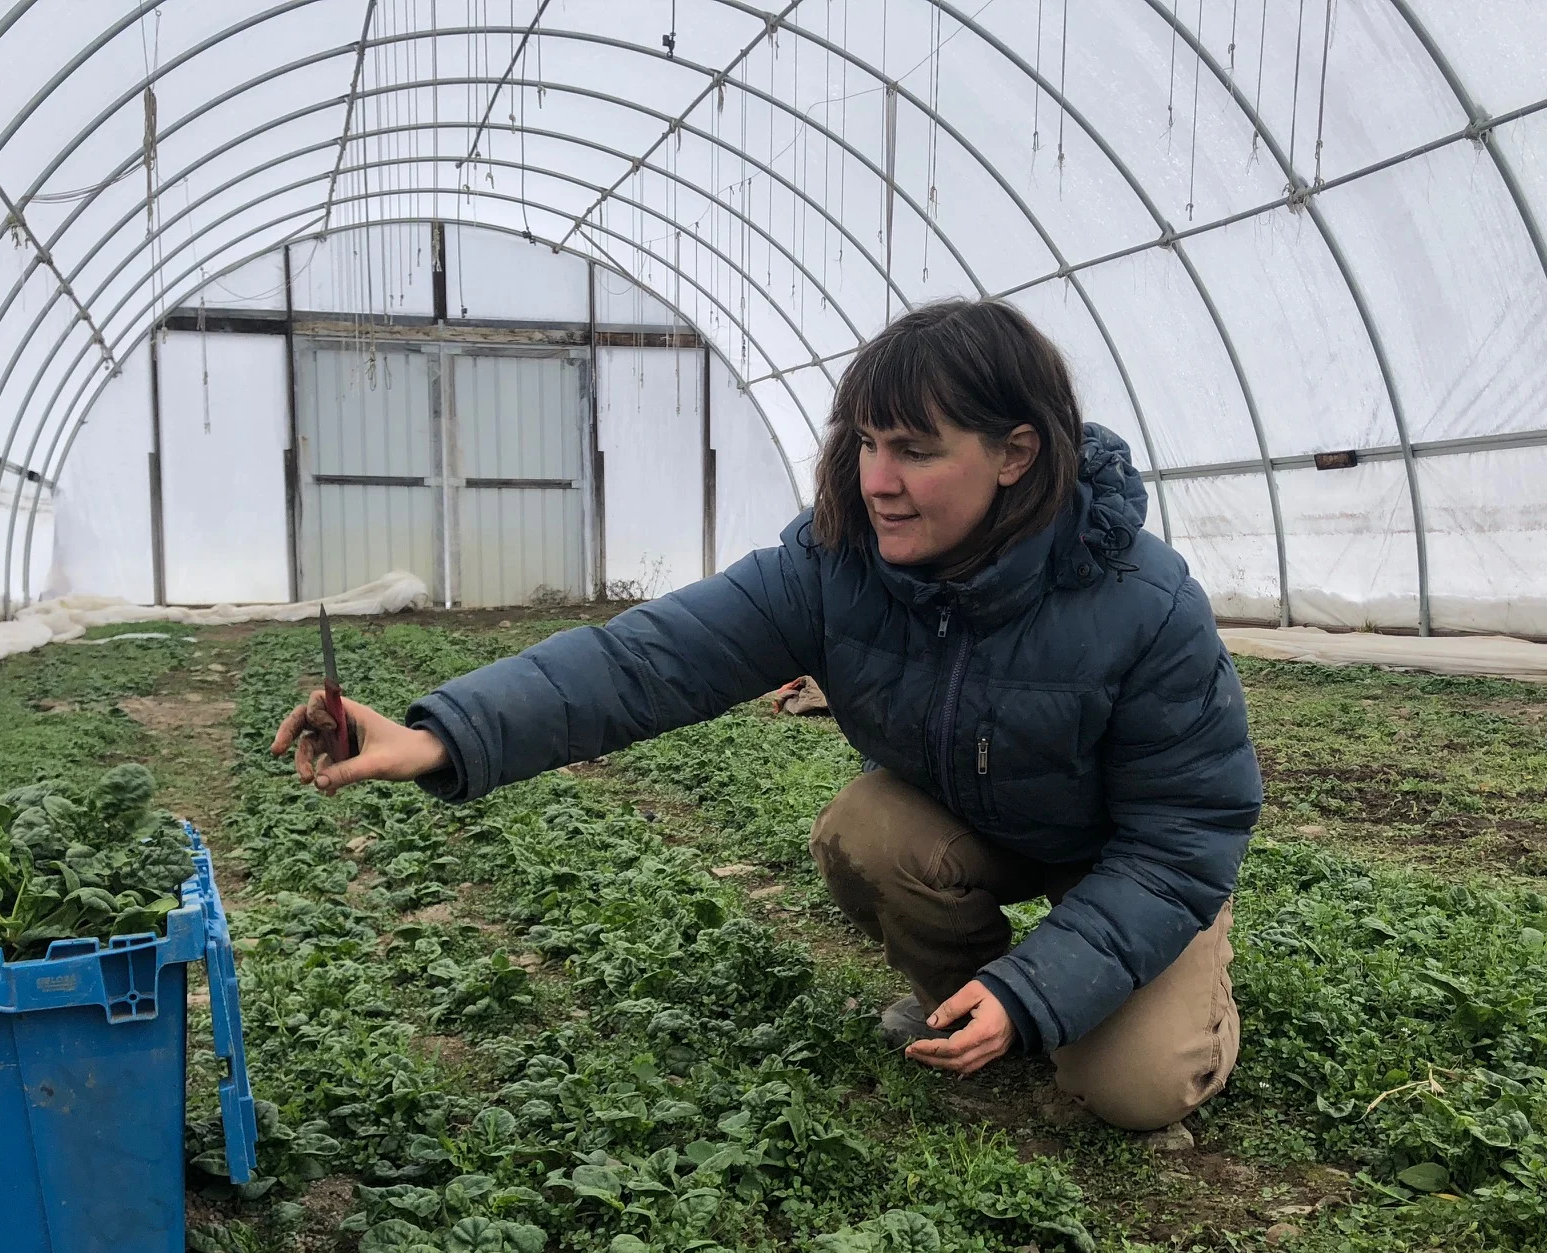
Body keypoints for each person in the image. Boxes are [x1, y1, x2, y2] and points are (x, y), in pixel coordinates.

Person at [274, 299, 1263, 1135]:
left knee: (1129, 1089)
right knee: (867, 832)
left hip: (1127, 855)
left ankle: (1169, 1002)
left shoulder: (1142, 602)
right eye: (868, 443)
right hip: (986, 824)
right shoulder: (836, 564)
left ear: (1016, 455)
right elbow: (643, 664)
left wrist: (1042, 991)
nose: (878, 480)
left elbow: (1183, 837)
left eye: (917, 451)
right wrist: (447, 732)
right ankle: (963, 999)